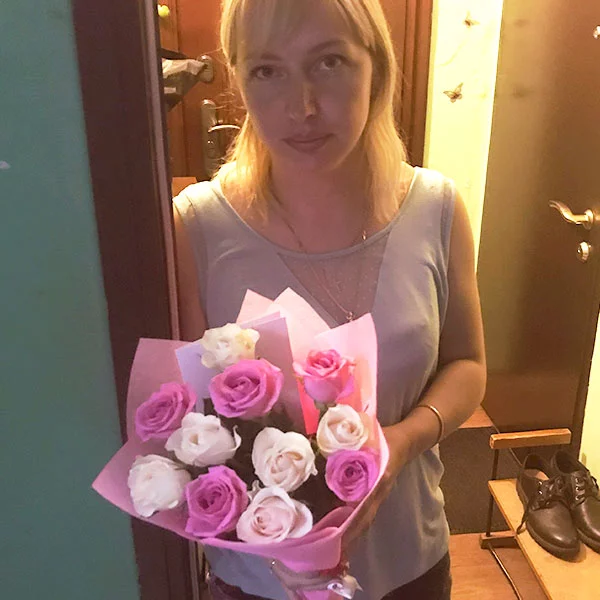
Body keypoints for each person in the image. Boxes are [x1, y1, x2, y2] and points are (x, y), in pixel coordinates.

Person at [172, 0, 486, 598]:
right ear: (239, 79)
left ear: (377, 67)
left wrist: (401, 443)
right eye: (268, 70)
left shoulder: (437, 210)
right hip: (258, 583)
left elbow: (467, 364)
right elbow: (191, 421)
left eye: (329, 63)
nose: (303, 107)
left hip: (409, 564)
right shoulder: (196, 228)